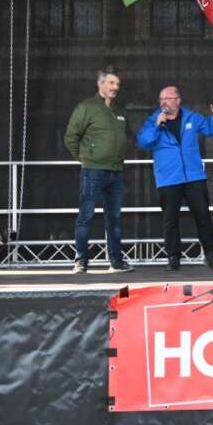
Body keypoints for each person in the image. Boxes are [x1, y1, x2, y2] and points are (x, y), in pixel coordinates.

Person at [136, 86, 213, 271]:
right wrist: (156, 126)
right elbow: (144, 142)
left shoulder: (191, 117)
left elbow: (211, 129)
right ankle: (173, 257)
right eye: (161, 99)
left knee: (203, 216)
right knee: (170, 220)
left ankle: (210, 255)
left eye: (168, 98)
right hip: (168, 178)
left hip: (193, 176)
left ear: (178, 100)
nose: (164, 102)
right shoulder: (153, 119)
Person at [64, 66, 133, 274]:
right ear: (100, 84)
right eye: (111, 82)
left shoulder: (120, 109)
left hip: (116, 172)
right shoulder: (86, 107)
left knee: (114, 218)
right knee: (86, 216)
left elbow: (126, 137)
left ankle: (116, 262)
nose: (115, 87)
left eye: (118, 84)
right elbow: (70, 137)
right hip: (93, 171)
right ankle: (81, 261)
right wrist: (86, 159)